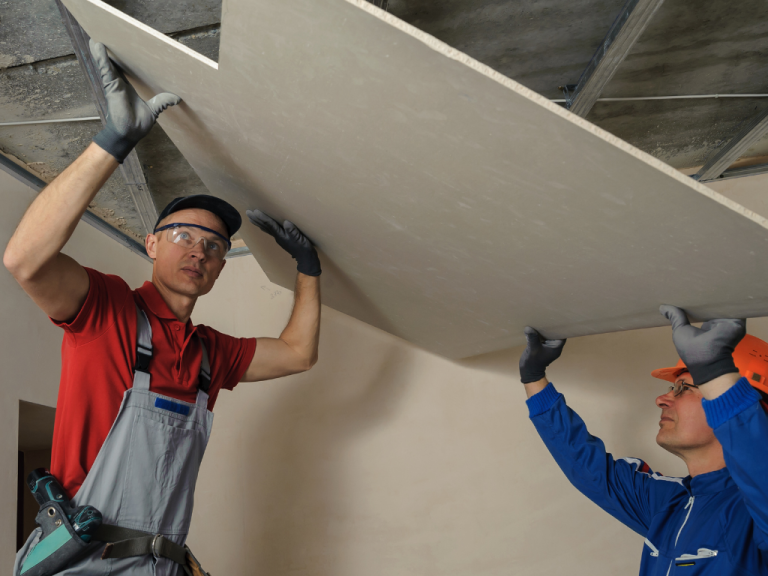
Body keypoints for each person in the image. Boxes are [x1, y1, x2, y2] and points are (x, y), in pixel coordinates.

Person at [5, 41, 321, 576]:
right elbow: (24, 261)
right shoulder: (105, 309)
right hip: (83, 563)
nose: (199, 249)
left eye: (214, 246)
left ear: (221, 268)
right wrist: (113, 141)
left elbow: (297, 354)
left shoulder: (209, 355)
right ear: (151, 245)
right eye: (182, 235)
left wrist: (309, 271)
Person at [519, 305, 768, 575]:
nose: (662, 399)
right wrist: (534, 379)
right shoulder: (671, 503)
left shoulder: (752, 513)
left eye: (683, 388)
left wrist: (717, 370)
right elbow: (589, 470)